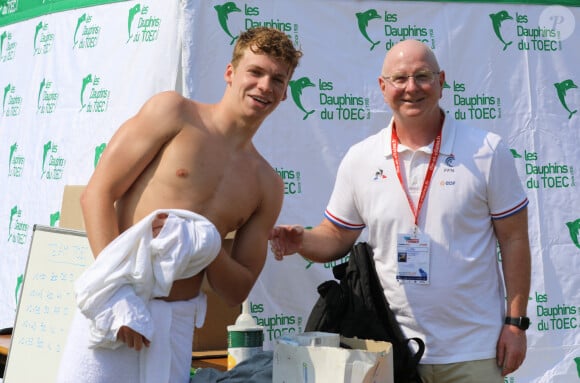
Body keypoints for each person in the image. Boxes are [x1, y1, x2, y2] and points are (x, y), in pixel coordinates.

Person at [270, 39, 531, 383]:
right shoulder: (361, 158)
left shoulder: (486, 151)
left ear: (441, 81)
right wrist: (301, 239)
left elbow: (514, 240)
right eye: (399, 78)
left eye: (422, 76)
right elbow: (335, 237)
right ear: (383, 87)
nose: (411, 88)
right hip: (391, 349)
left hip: (474, 351)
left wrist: (515, 324)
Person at [56, 27, 302, 383]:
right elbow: (96, 193)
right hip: (116, 306)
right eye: (256, 72)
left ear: (284, 94)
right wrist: (117, 295)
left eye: (278, 79)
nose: (265, 85)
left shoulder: (267, 184)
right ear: (231, 73)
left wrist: (204, 245)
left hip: (176, 324)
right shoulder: (174, 113)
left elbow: (237, 290)